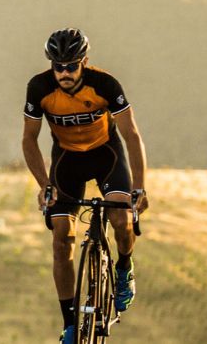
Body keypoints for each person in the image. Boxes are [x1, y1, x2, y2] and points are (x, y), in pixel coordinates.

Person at [20, 28, 149, 344]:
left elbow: (131, 136)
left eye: (71, 66)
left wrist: (140, 188)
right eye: (58, 66)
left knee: (121, 219)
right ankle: (69, 324)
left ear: (84, 62)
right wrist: (44, 184)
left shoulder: (105, 85)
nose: (64, 72)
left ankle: (124, 269)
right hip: (67, 162)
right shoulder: (39, 88)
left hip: (106, 154)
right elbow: (29, 139)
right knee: (61, 239)